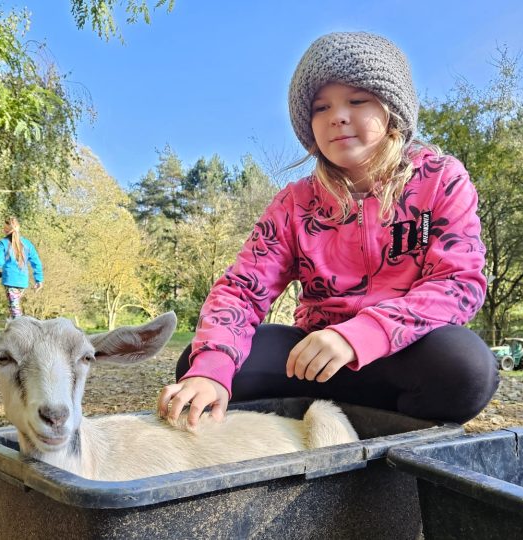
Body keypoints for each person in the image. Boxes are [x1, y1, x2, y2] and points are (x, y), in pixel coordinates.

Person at [158, 31, 498, 428]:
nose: (337, 116)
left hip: (404, 354)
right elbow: (242, 289)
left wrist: (362, 334)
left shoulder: (441, 179)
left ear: (392, 113)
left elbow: (459, 283)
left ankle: (391, 439)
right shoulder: (295, 203)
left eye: (357, 101)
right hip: (314, 361)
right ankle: (309, 426)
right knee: (199, 365)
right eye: (322, 107)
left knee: (467, 370)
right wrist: (210, 368)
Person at [0, 216, 43, 319]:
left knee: (15, 311)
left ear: (5, 229)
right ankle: (11, 331)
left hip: (10, 280)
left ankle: (21, 331)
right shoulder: (27, 244)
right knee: (13, 307)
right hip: (23, 281)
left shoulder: (3, 243)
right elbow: (36, 262)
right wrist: (39, 279)